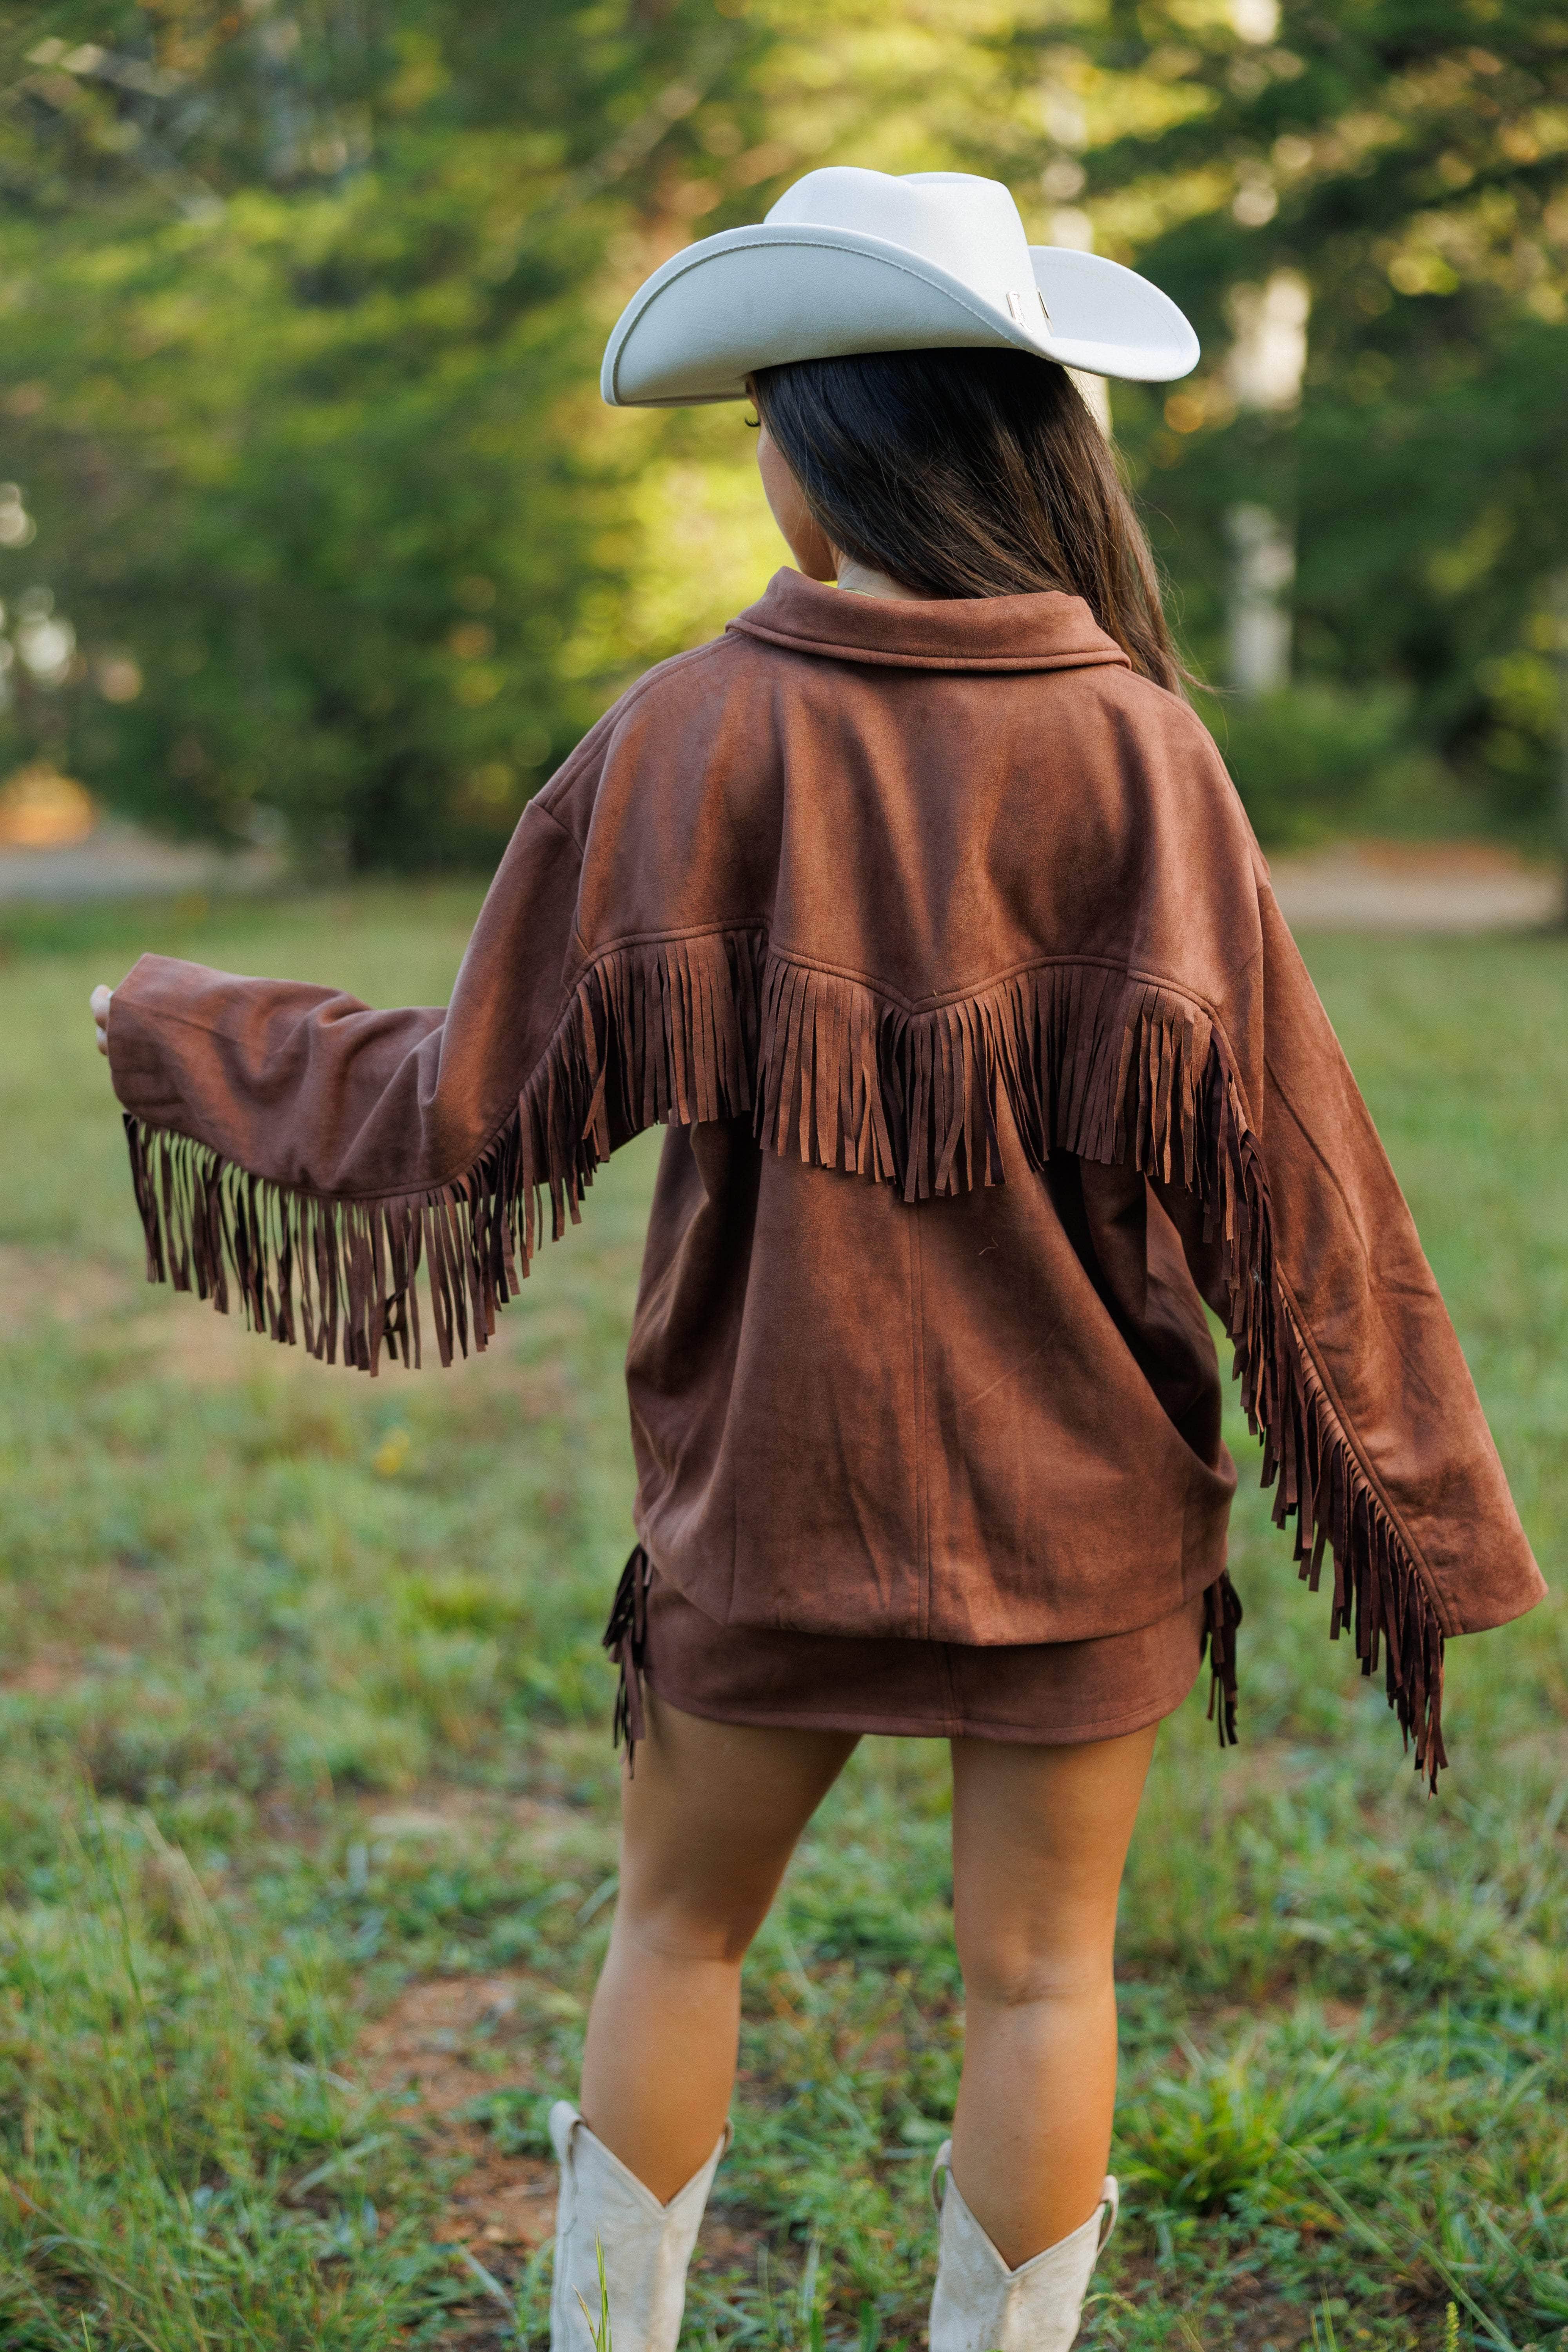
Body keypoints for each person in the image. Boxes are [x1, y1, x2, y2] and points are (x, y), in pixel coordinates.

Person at [91, 169, 1542, 2352]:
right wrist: (1431, 1507)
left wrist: (178, 1029)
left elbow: (466, 1105)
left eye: (768, 416)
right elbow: (1300, 1170)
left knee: (676, 1933)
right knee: (1043, 1976)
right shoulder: (1143, 743)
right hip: (1083, 1514)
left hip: (773, 1489)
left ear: (820, 453)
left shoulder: (689, 734)